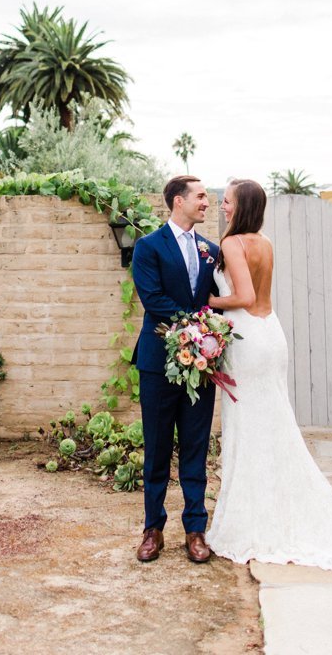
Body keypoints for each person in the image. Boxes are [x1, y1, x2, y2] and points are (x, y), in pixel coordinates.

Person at [204, 178, 332, 570]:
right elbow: (260, 295)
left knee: (250, 424)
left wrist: (211, 303)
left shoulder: (232, 243)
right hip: (271, 333)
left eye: (226, 202)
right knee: (273, 422)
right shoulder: (265, 242)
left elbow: (242, 298)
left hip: (247, 337)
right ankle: (278, 506)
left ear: (240, 206)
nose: (221, 207)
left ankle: (259, 519)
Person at [129, 174, 220, 563]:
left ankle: (195, 530)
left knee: (197, 447)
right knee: (158, 447)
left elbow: (216, 298)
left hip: (202, 364)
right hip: (158, 363)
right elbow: (153, 299)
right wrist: (200, 326)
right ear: (177, 201)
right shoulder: (148, 247)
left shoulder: (211, 250)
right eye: (200, 196)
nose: (206, 202)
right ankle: (153, 529)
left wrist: (211, 335)